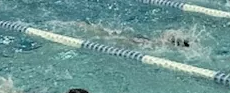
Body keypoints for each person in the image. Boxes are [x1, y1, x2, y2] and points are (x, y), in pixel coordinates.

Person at [70, 23, 198, 50]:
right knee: (109, 35)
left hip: (135, 42)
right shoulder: (157, 44)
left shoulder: (156, 45)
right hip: (137, 41)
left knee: (110, 36)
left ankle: (88, 28)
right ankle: (89, 28)